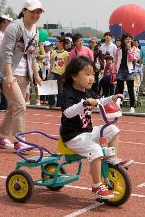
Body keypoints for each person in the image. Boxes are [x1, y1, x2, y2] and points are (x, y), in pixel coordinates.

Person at [61, 56, 133, 199]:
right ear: (74, 75)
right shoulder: (68, 93)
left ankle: (111, 158)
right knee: (95, 149)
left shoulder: (88, 92)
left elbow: (99, 101)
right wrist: (84, 104)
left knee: (113, 129)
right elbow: (67, 113)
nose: (91, 78)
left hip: (87, 131)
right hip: (73, 136)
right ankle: (96, 186)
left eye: (93, 74)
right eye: (87, 74)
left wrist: (112, 98)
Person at [0, 0, 43, 151]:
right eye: (33, 11)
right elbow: (6, 52)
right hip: (9, 73)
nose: (35, 14)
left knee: (13, 108)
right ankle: (20, 141)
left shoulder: (36, 31)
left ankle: (0, 137)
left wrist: (36, 74)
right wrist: (8, 75)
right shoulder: (14, 27)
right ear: (24, 11)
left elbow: (32, 54)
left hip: (24, 75)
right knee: (20, 106)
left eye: (38, 12)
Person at [114, 34, 137, 113]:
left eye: (130, 39)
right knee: (120, 90)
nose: (128, 40)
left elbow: (131, 59)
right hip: (120, 70)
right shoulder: (118, 49)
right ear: (123, 40)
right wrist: (114, 72)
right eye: (127, 39)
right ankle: (118, 106)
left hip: (129, 71)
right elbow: (116, 61)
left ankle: (132, 107)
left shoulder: (133, 48)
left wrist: (129, 49)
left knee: (131, 89)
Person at [48, 36, 69, 108]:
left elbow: (66, 65)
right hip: (53, 72)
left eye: (57, 41)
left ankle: (59, 104)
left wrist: (65, 75)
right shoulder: (53, 52)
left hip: (61, 73)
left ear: (61, 43)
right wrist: (49, 73)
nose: (55, 42)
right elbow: (51, 64)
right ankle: (51, 104)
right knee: (50, 88)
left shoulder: (65, 53)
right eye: (55, 41)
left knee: (60, 90)